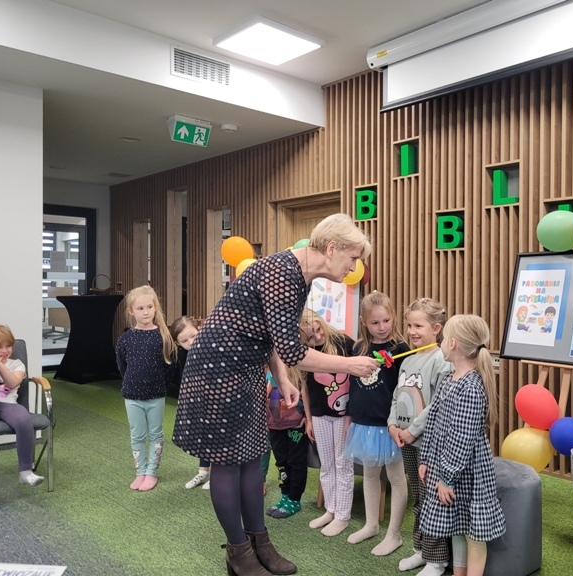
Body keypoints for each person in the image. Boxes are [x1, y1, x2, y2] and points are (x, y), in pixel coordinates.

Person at [172, 213, 379, 576]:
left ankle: (259, 543)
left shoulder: (299, 275)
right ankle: (238, 553)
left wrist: (281, 378)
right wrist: (350, 365)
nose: (354, 267)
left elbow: (270, 334)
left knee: (252, 457)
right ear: (332, 248)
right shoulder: (283, 273)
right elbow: (295, 350)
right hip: (218, 369)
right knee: (228, 461)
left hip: (246, 368)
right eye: (352, 258)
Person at [418, 314, 506, 576]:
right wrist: (425, 459)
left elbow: (461, 439)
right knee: (456, 525)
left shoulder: (470, 388)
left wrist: (446, 478)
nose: (441, 343)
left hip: (467, 472)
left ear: (453, 343)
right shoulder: (449, 378)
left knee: (473, 534)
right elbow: (432, 421)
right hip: (446, 466)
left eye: (444, 338)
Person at [390, 298, 453, 576]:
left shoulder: (441, 361)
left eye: (418, 326)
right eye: (409, 325)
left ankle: (437, 560)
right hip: (406, 442)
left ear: (436, 328)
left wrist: (412, 430)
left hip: (427, 444)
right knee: (418, 496)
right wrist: (393, 425)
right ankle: (420, 549)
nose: (411, 331)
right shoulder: (408, 359)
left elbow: (437, 404)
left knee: (431, 501)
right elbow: (397, 396)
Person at [344, 291, 410, 556]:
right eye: (375, 322)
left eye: (386, 320)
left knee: (396, 477)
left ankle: (394, 534)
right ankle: (371, 524)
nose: (382, 327)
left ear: (393, 317)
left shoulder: (401, 349)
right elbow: (353, 384)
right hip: (364, 423)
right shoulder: (358, 348)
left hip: (389, 424)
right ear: (363, 321)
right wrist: (351, 416)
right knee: (370, 473)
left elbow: (406, 389)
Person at [301, 308, 356, 537]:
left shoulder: (343, 342)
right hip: (319, 415)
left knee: (343, 464)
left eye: (318, 329)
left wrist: (351, 417)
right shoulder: (305, 352)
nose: (317, 337)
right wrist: (308, 419)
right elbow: (304, 388)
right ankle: (330, 509)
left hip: (343, 416)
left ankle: (342, 515)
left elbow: (356, 379)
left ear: (321, 323)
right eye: (310, 336)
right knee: (327, 464)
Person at [116, 285, 176, 492]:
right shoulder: (125, 339)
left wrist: (160, 387)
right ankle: (140, 471)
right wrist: (132, 383)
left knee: (156, 434)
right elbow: (122, 366)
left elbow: (170, 366)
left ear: (155, 308)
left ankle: (151, 472)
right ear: (131, 311)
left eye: (149, 307)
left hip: (156, 396)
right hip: (132, 396)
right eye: (140, 308)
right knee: (137, 435)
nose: (146, 312)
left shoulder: (163, 337)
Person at [0, 324, 44, 487]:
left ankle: (26, 472)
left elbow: (14, 382)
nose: (4, 350)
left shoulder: (17, 364)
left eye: (8, 346)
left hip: (6, 405)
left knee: (24, 419)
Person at [169, 315, 211, 490]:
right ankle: (203, 472)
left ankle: (217, 475)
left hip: (215, 400)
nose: (191, 342)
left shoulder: (211, 347)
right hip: (196, 400)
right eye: (184, 341)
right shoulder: (182, 354)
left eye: (193, 336)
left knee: (216, 436)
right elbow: (184, 379)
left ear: (199, 329)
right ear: (178, 343)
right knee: (202, 435)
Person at [265, 365, 309, 519]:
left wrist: (308, 418)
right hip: (275, 424)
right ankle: (285, 495)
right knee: (281, 461)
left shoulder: (298, 370)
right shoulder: (270, 370)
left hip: (296, 424)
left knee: (296, 461)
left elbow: (305, 392)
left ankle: (294, 499)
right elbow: (267, 393)